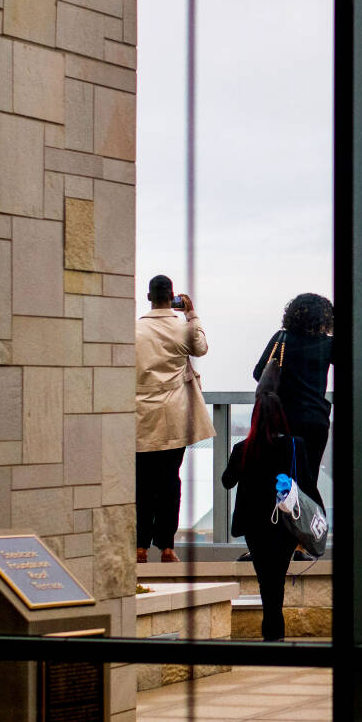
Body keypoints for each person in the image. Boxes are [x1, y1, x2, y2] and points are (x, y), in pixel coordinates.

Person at [134, 274, 212, 564]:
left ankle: (140, 546)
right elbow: (201, 347)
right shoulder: (182, 329)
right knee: (170, 480)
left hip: (140, 414)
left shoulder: (135, 330)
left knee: (142, 482)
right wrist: (191, 314)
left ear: (148, 297)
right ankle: (167, 546)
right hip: (174, 415)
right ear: (173, 297)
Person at [220, 390, 302, 641]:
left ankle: (272, 632)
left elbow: (227, 481)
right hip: (285, 524)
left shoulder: (242, 448)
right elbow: (307, 482)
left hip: (255, 527)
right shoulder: (293, 445)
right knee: (276, 578)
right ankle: (275, 632)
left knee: (266, 579)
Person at [252, 293, 334, 511]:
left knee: (283, 478)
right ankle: (305, 536)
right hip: (316, 421)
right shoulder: (328, 344)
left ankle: (280, 532)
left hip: (283, 421)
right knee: (310, 478)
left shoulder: (282, 338)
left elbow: (259, 373)